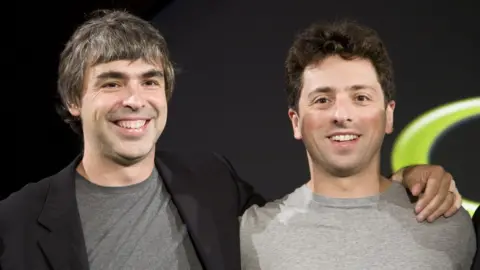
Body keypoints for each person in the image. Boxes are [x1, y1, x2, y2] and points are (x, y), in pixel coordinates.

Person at [0, 10, 464, 270]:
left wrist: (412, 176)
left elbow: (337, 207)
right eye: (111, 82)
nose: (135, 99)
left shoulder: (211, 180)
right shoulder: (17, 220)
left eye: (150, 81)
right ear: (73, 98)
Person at [240, 20, 476, 270]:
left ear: (389, 115)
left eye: (361, 97)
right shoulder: (249, 234)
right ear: (296, 122)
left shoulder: (450, 225)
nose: (341, 115)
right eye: (322, 99)